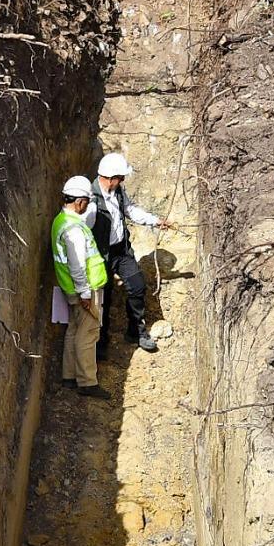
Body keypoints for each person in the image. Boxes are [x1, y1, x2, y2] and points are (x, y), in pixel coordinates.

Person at [86, 152, 177, 355]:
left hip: (121, 250)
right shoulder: (91, 200)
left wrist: (155, 220)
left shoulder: (117, 192)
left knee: (137, 286)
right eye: (121, 177)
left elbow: (130, 210)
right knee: (103, 297)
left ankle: (136, 332)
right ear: (110, 177)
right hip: (101, 255)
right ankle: (100, 341)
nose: (123, 181)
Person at [52, 175, 110, 399]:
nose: (87, 206)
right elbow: (77, 264)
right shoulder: (73, 229)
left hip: (71, 289)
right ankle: (87, 382)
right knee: (88, 334)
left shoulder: (61, 221)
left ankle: (69, 377)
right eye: (86, 202)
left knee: (74, 330)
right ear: (79, 202)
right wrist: (85, 293)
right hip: (84, 289)